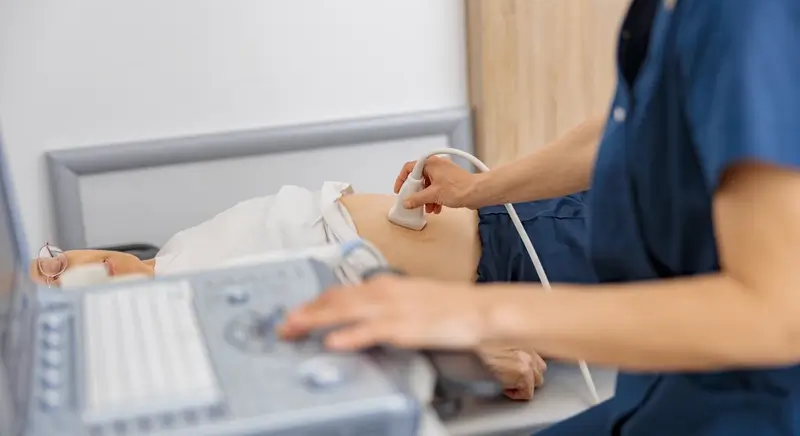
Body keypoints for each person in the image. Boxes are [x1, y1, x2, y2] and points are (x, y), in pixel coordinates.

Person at [279, 0, 800, 435]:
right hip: (665, 388)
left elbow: (780, 313)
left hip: (749, 406)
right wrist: (477, 190)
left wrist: (471, 314)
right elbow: (623, 126)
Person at [32, 180, 587, 399]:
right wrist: (466, 346)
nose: (79, 269)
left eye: (54, 264)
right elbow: (339, 337)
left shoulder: (172, 254)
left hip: (505, 217)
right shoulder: (194, 317)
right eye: (60, 289)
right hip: (522, 267)